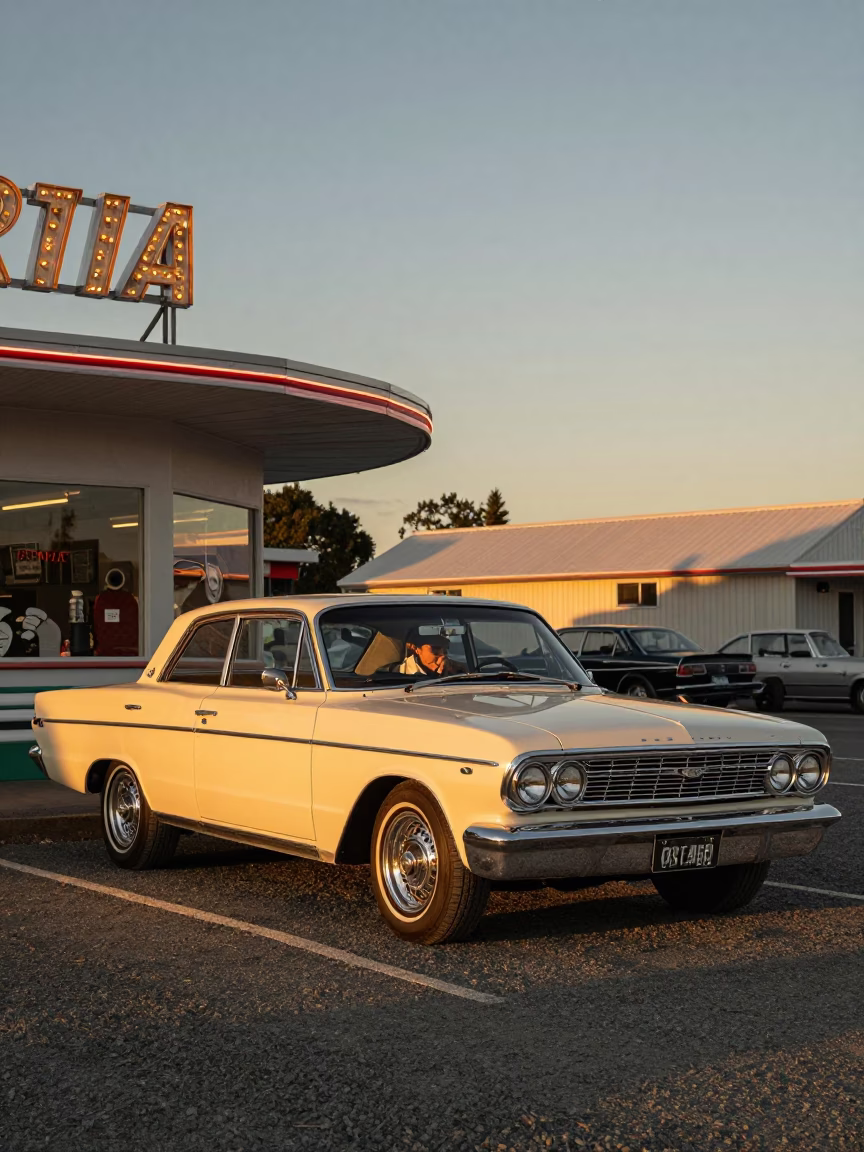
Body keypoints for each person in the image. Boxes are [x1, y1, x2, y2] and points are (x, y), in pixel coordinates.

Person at [398, 627, 467, 678]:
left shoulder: (455, 669)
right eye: (435, 649)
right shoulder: (400, 675)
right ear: (416, 649)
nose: (442, 655)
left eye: (445, 650)